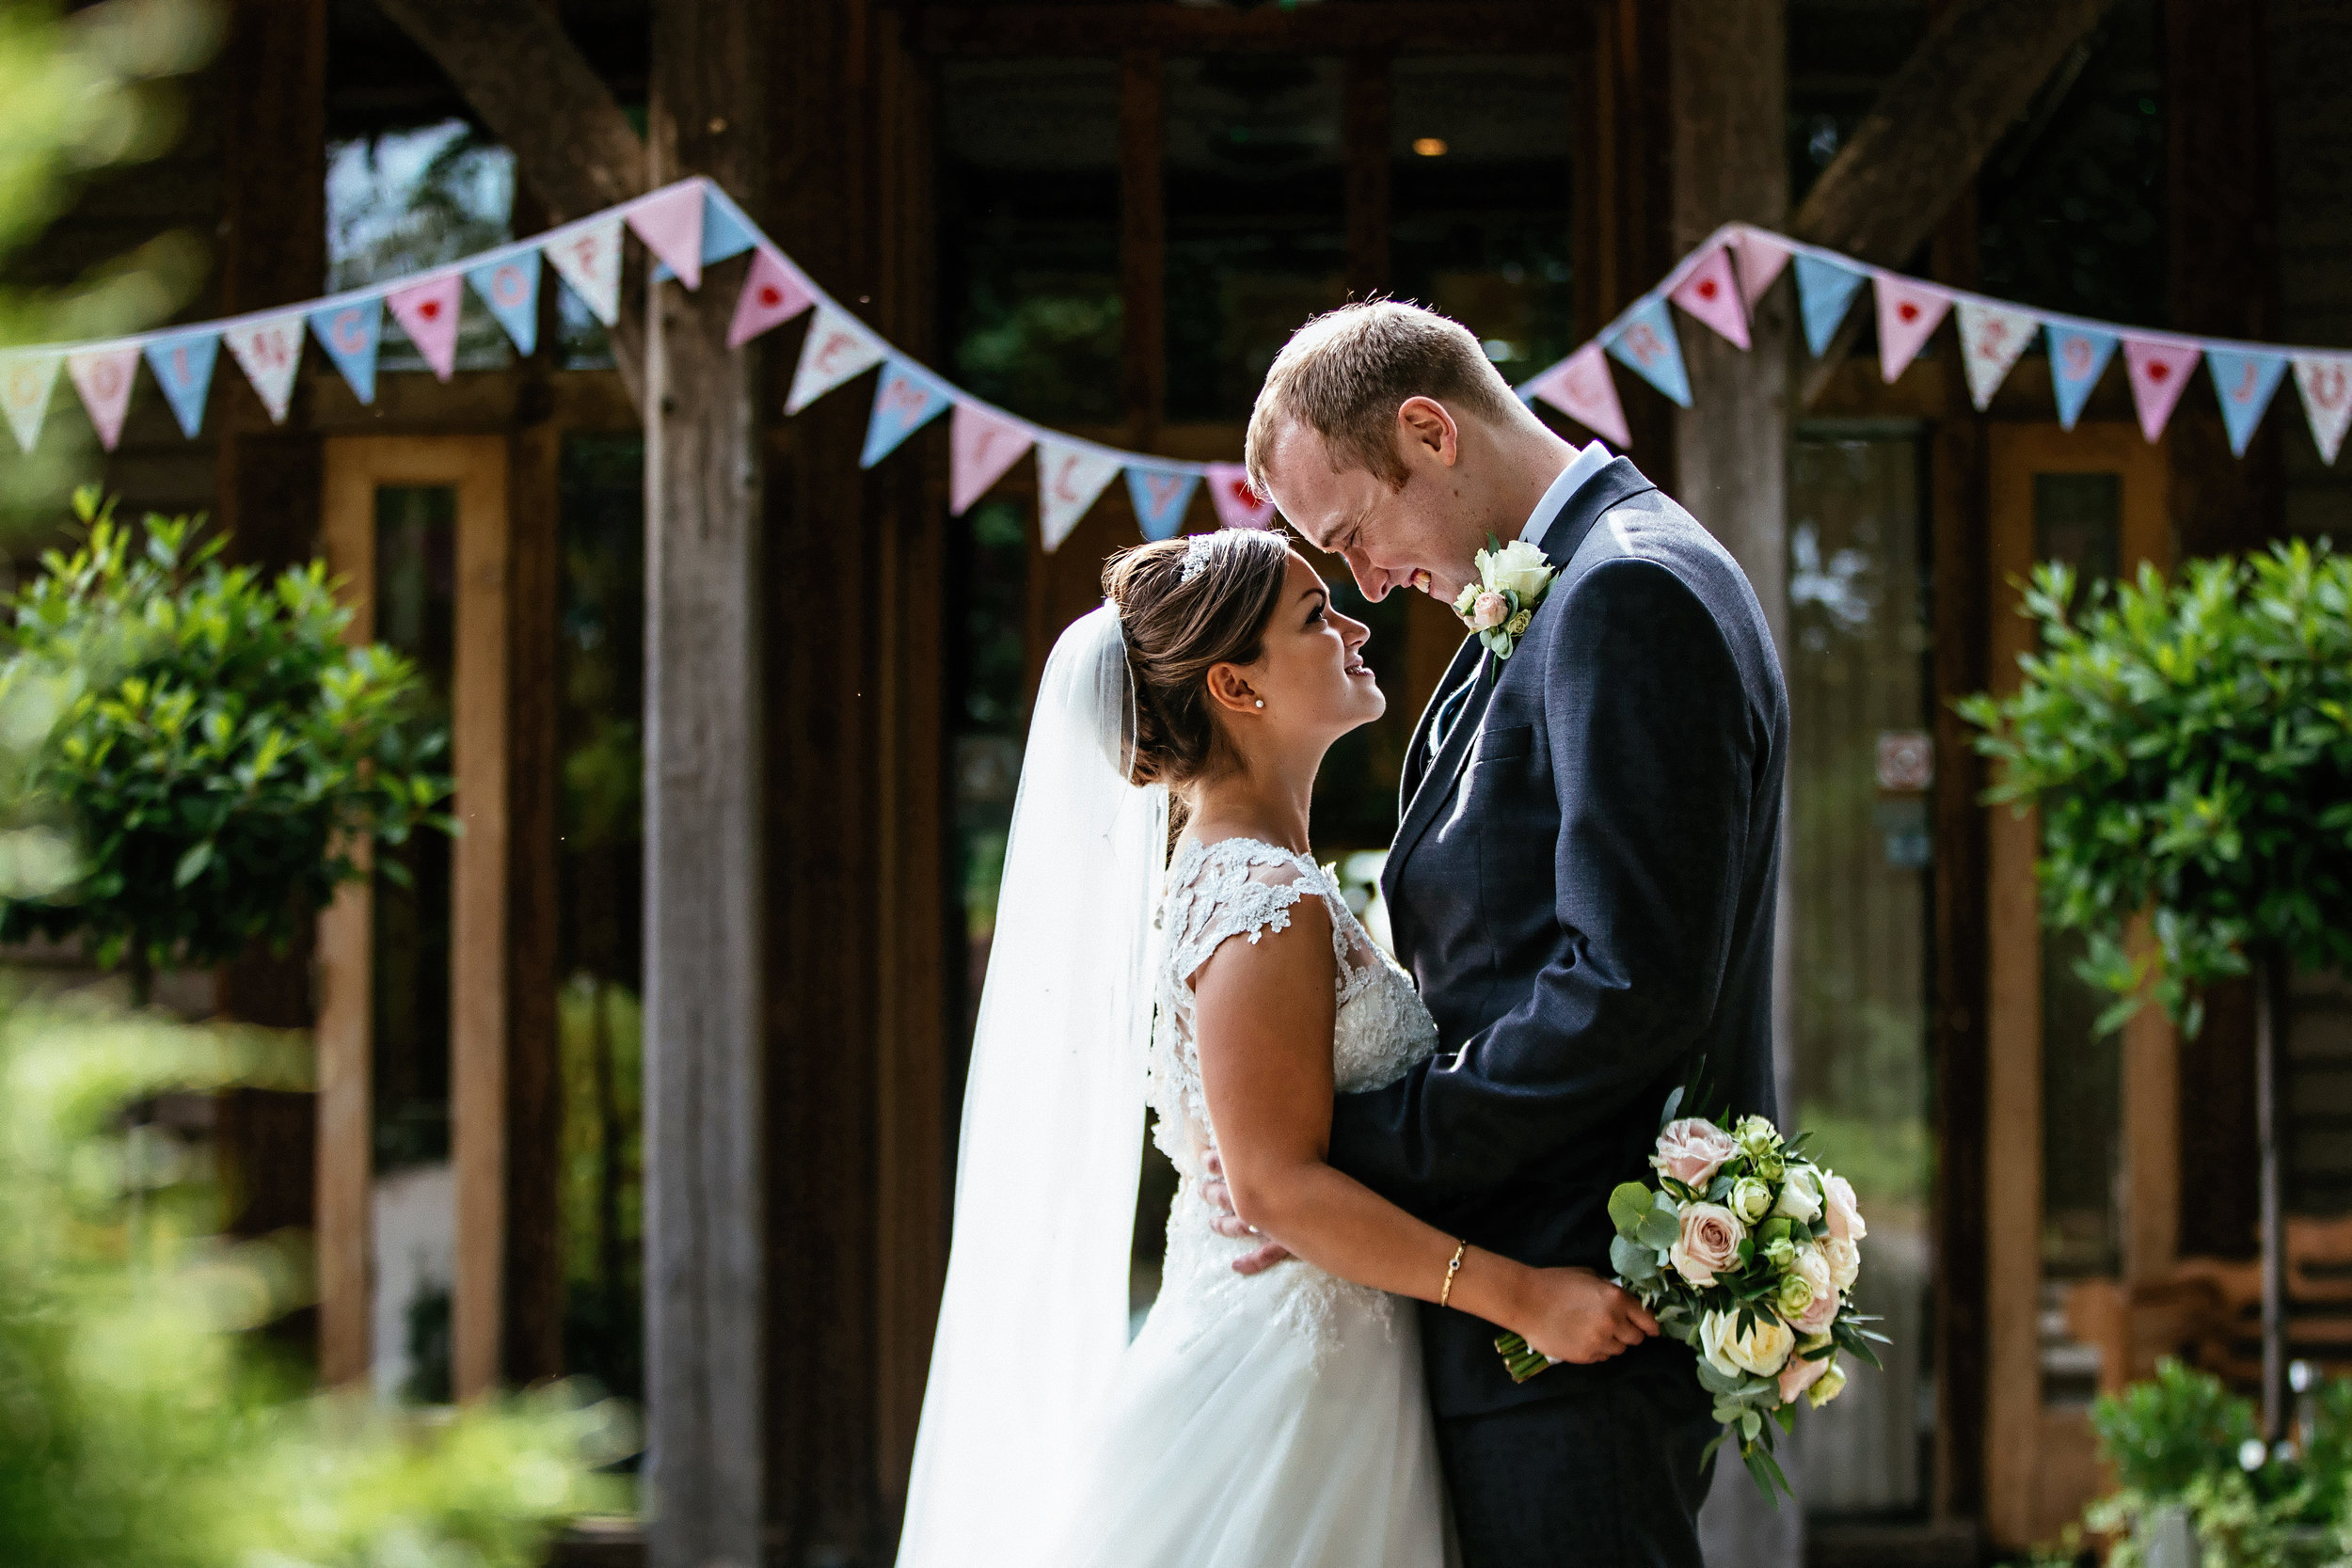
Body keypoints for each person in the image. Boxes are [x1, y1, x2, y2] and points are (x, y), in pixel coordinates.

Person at [894, 524, 1657, 1568]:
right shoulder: (1260, 895)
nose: (1353, 621)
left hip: (1333, 1357)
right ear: (1235, 689)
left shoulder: (1255, 875)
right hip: (1282, 1380)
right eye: (1313, 615)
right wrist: (1525, 1294)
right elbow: (1274, 1186)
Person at [1204, 299, 1791, 1568]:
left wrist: (1358, 1153)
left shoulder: (1626, 592)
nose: (1362, 580)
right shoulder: (1572, 584)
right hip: (1528, 1308)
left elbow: (1623, 983)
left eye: (1355, 531)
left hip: (1566, 1308)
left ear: (1427, 430)